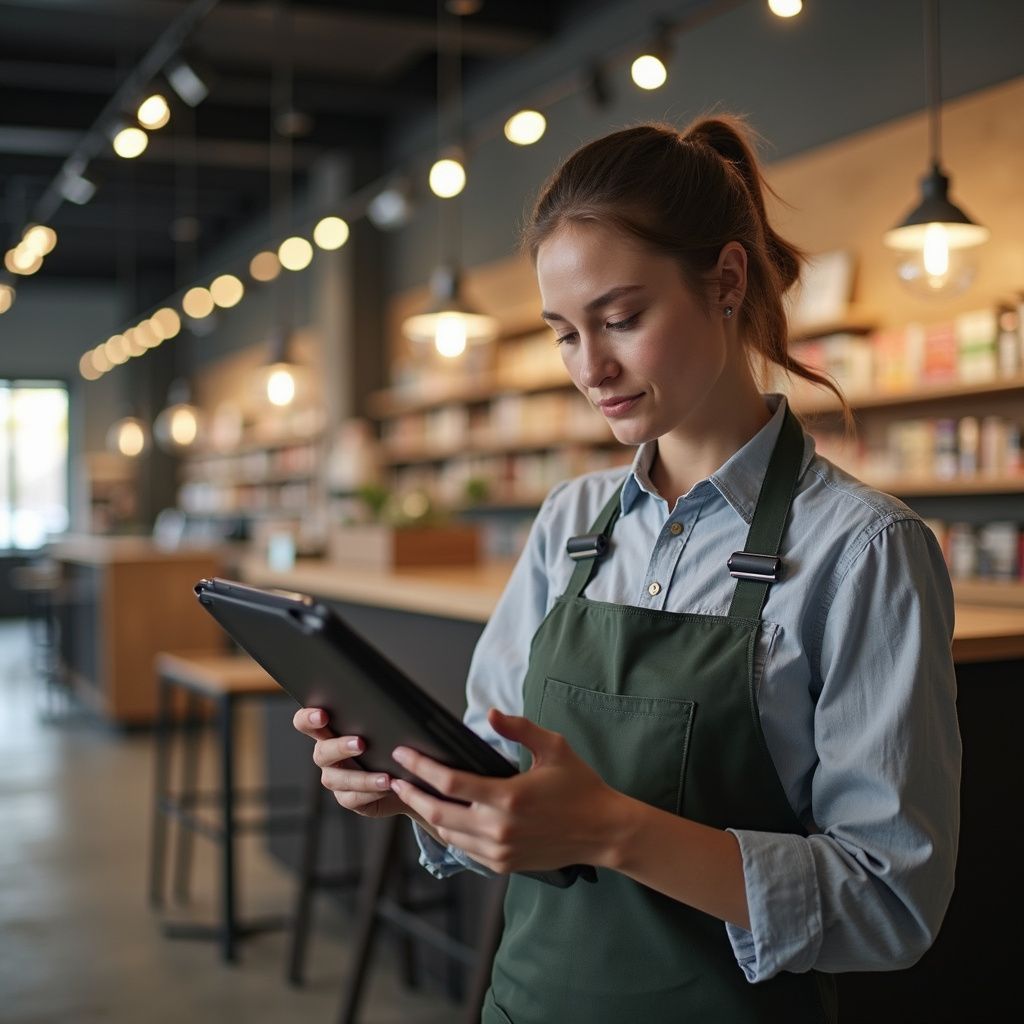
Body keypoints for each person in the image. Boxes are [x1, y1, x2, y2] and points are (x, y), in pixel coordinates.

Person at [293, 115, 961, 1023]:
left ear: (726, 280)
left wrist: (613, 829)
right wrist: (415, 790)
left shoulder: (863, 550)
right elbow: (496, 765)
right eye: (564, 333)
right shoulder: (570, 521)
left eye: (621, 318)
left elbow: (889, 901)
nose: (590, 368)